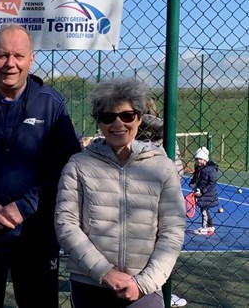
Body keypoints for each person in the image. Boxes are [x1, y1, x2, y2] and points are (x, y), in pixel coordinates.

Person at [0, 23, 81, 307]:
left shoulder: (52, 105)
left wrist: (26, 205)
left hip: (36, 235)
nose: (10, 64)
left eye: (18, 56)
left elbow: (66, 168)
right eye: (3, 55)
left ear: (31, 59)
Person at [55, 79, 186, 308]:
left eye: (127, 116)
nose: (118, 123)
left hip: (144, 287)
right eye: (108, 117)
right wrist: (105, 272)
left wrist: (144, 283)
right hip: (90, 282)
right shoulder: (78, 165)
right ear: (99, 121)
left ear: (138, 118)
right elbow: (66, 224)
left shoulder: (162, 167)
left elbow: (172, 231)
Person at [135, 97, 188, 307]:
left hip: (134, 199)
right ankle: (160, 289)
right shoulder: (167, 134)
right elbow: (177, 169)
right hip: (159, 198)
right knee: (162, 248)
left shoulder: (125, 130)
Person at [190, 147, 219, 235]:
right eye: (196, 159)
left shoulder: (210, 169)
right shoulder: (199, 168)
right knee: (204, 209)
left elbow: (211, 183)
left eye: (199, 159)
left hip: (208, 194)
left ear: (204, 159)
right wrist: (193, 183)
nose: (197, 161)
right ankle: (210, 226)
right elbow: (196, 178)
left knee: (204, 210)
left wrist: (202, 191)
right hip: (202, 193)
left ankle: (205, 227)